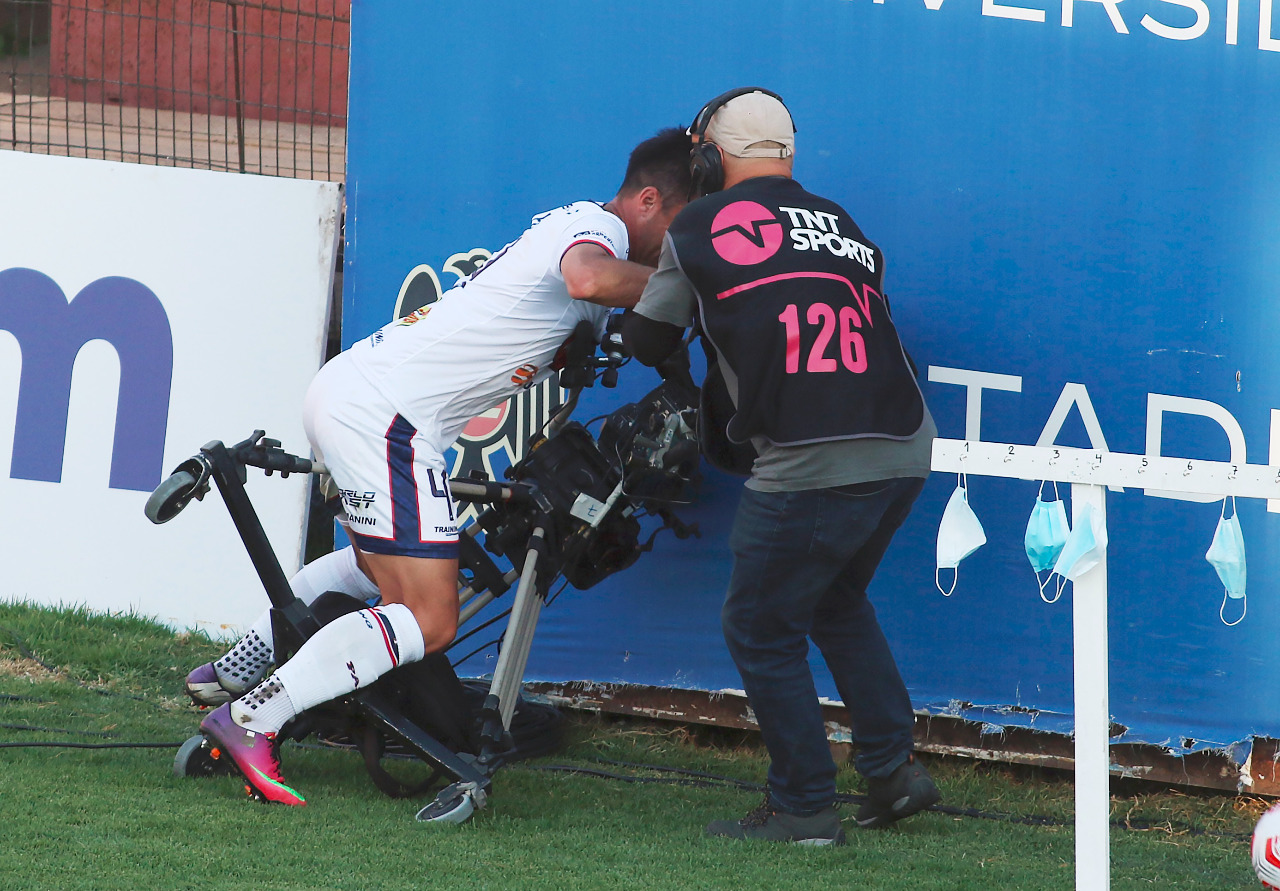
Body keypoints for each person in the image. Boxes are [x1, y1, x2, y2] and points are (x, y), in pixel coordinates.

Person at [188, 127, 693, 805]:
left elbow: (582, 321)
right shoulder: (593, 226)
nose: (681, 250)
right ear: (649, 199)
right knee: (429, 616)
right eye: (683, 229)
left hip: (365, 397)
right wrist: (697, 288)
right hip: (385, 415)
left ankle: (232, 669)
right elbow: (591, 277)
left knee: (374, 568)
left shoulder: (581, 237)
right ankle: (253, 716)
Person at [623, 89, 940, 845]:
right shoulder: (842, 221)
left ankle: (803, 805)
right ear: (788, 156)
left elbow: (645, 339)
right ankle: (894, 775)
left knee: (760, 627)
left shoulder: (695, 224)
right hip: (905, 445)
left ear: (707, 158)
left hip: (809, 460)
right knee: (834, 599)